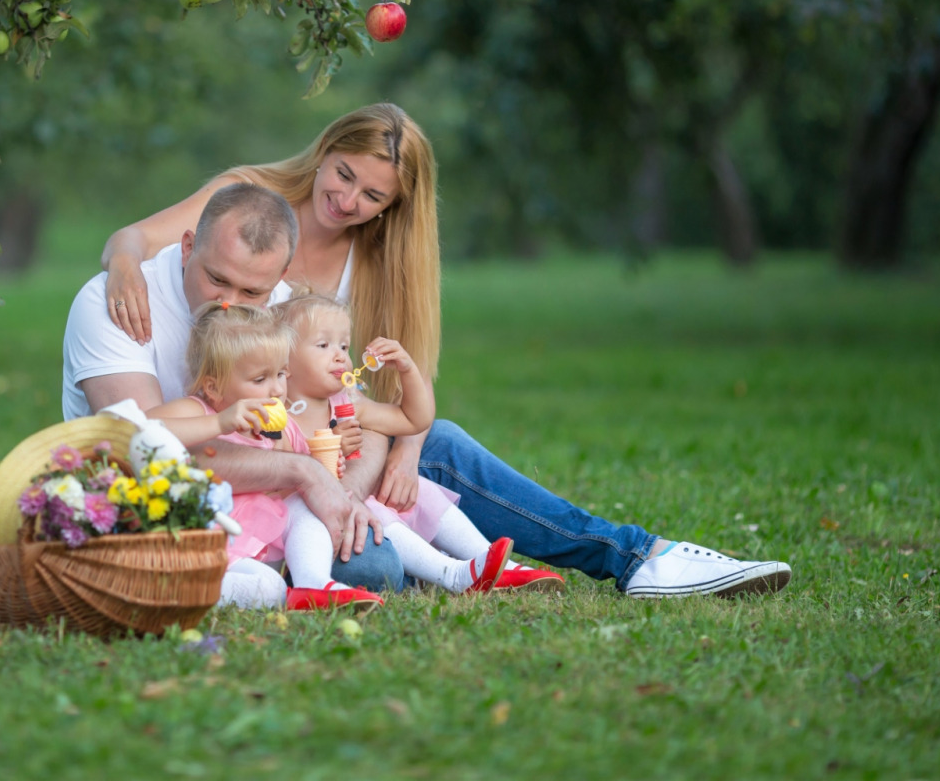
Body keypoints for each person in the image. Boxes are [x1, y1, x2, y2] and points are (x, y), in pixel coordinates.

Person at [96, 103, 792, 598]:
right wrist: (123, 262)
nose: (347, 200)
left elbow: (401, 384)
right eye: (341, 175)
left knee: (439, 444)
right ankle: (626, 557)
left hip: (322, 440)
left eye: (373, 195)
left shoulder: (377, 261)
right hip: (253, 453)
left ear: (393, 206)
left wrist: (394, 458)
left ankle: (637, 557)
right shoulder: (246, 203)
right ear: (323, 152)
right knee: (406, 511)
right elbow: (139, 238)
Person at [62, 182, 407, 593]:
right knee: (375, 569)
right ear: (188, 247)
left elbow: (360, 414)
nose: (229, 303)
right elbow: (142, 451)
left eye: (252, 292)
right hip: (173, 512)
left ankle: (489, 562)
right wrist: (306, 473)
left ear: (280, 277)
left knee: (440, 446)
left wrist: (342, 492)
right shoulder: (119, 301)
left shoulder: (279, 305)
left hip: (280, 496)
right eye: (217, 279)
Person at [275, 290, 563, 593]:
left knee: (421, 490)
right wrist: (326, 446)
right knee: (379, 511)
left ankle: (490, 561)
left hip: (352, 500)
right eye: (323, 345)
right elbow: (280, 475)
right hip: (307, 520)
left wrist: (408, 370)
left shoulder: (347, 401)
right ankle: (454, 575)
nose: (340, 356)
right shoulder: (278, 412)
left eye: (344, 346)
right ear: (284, 359)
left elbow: (414, 419)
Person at [146, 301, 387, 612]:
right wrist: (219, 423)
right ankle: (169, 588)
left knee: (304, 503)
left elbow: (290, 486)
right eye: (260, 380)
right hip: (212, 545)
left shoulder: (282, 428)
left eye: (281, 374)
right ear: (214, 387)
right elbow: (138, 429)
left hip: (261, 541)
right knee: (269, 590)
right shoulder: (199, 410)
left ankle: (314, 583)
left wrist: (330, 463)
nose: (276, 390)